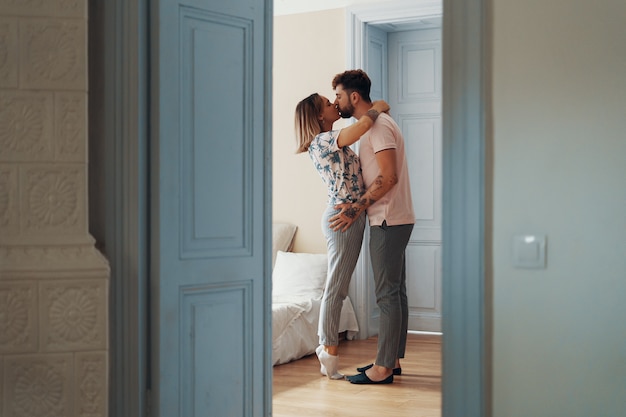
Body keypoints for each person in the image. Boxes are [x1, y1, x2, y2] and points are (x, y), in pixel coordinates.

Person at [294, 92, 390, 379]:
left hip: (350, 215)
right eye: (327, 103)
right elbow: (361, 127)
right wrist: (378, 108)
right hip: (342, 218)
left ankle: (329, 349)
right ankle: (328, 349)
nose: (333, 104)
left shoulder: (334, 139)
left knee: (338, 285)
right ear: (319, 116)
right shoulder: (322, 141)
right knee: (336, 287)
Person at [329, 69, 415, 385]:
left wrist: (354, 208)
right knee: (395, 291)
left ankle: (383, 368)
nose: (336, 102)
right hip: (392, 216)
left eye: (338, 95)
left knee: (387, 293)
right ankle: (390, 360)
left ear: (354, 96)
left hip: (387, 217)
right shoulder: (375, 124)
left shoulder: (377, 128)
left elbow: (388, 176)